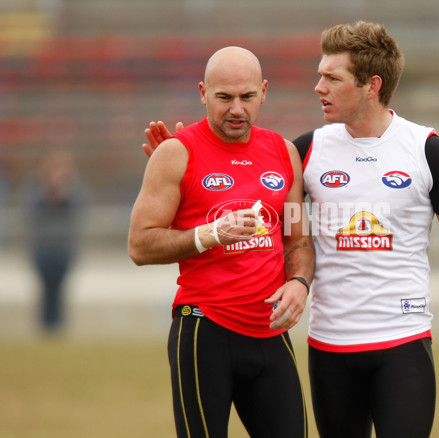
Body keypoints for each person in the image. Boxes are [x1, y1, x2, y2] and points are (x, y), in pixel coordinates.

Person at [142, 22, 439, 438]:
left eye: (331, 77)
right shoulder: (308, 149)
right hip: (329, 348)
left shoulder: (426, 150)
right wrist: (190, 156)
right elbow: (261, 193)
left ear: (371, 85)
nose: (318, 87)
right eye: (319, 75)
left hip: (403, 342)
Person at [128, 46, 314, 438]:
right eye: (224, 97)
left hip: (270, 333)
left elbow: (297, 235)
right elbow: (140, 245)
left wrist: (299, 282)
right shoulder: (175, 154)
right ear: (202, 93)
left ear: (264, 91)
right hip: (204, 332)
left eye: (247, 97)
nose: (237, 109)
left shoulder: (285, 154)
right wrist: (210, 234)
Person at [22, 149, 86, 333]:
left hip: (63, 250)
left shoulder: (73, 191)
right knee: (45, 289)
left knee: (59, 289)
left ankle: (57, 326)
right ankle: (45, 326)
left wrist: (61, 193)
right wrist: (49, 193)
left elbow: (79, 208)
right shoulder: (36, 190)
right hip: (42, 251)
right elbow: (30, 212)